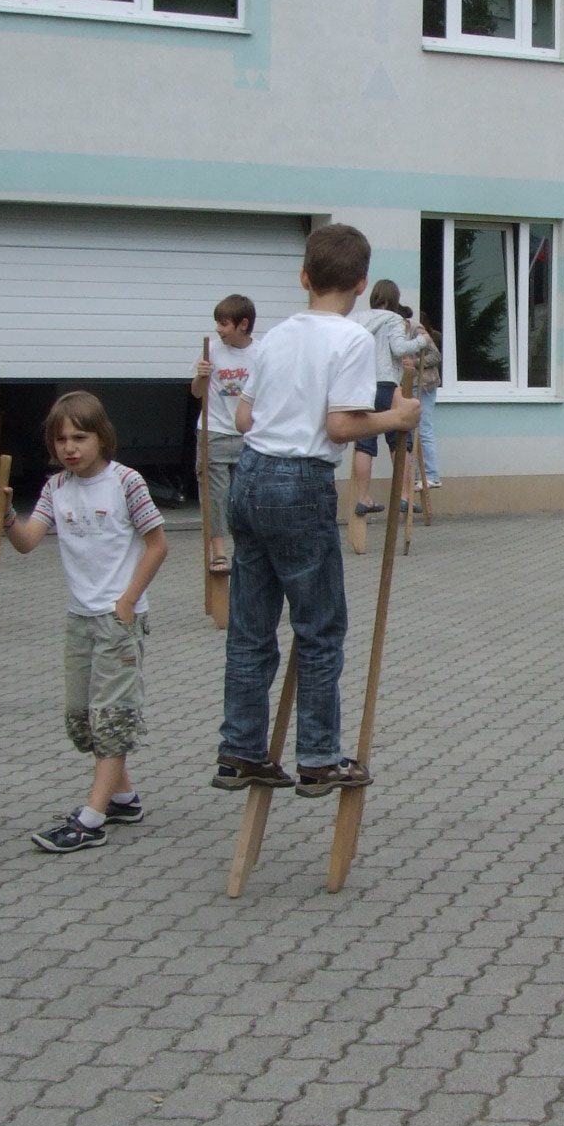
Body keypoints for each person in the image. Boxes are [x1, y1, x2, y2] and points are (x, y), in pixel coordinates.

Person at [215, 224, 418, 798]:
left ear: (303, 277)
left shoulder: (275, 337)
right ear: (361, 283)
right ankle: (319, 757)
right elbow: (340, 426)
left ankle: (240, 750)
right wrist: (397, 418)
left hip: (250, 475)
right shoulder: (351, 339)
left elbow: (244, 420)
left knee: (251, 627)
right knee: (320, 628)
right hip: (300, 482)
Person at [0, 390, 168, 853]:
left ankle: (92, 819)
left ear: (102, 437)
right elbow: (27, 542)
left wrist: (127, 601)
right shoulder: (56, 488)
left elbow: (158, 545)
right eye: (61, 440)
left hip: (118, 619)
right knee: (83, 718)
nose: (70, 448)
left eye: (80, 437)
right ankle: (123, 799)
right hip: (79, 617)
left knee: (112, 716)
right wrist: (5, 514)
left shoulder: (126, 481)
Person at [191, 295, 256, 578]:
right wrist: (201, 376)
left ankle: (245, 547)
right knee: (215, 495)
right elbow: (196, 392)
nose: (218, 329)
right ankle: (218, 550)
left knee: (244, 496)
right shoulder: (212, 351)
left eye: (224, 323)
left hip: (248, 435)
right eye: (217, 322)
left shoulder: (261, 353)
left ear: (243, 324)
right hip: (214, 432)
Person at [348, 277, 412, 548]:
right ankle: (405, 495)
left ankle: (364, 497)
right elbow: (399, 349)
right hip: (386, 383)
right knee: (399, 439)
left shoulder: (358, 319)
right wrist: (420, 342)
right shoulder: (393, 319)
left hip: (362, 386)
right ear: (394, 300)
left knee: (364, 442)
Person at [399, 306, 443, 494]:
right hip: (409, 385)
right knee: (412, 432)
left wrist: (415, 363)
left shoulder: (417, 330)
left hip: (425, 385)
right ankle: (419, 476)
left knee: (423, 429)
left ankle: (432, 475)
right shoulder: (396, 333)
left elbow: (436, 356)